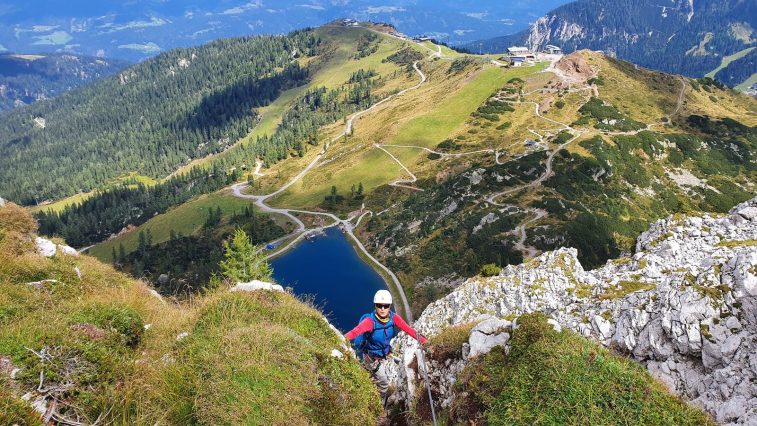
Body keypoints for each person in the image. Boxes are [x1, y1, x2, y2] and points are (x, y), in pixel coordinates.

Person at [344, 289, 427, 407]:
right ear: (375, 306)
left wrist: (425, 342)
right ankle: (379, 405)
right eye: (379, 306)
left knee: (374, 376)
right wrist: (339, 340)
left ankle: (369, 384)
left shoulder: (394, 318)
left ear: (390, 306)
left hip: (384, 355)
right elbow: (355, 332)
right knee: (383, 383)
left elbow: (409, 330)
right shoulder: (369, 321)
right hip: (371, 357)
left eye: (386, 306)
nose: (382, 309)